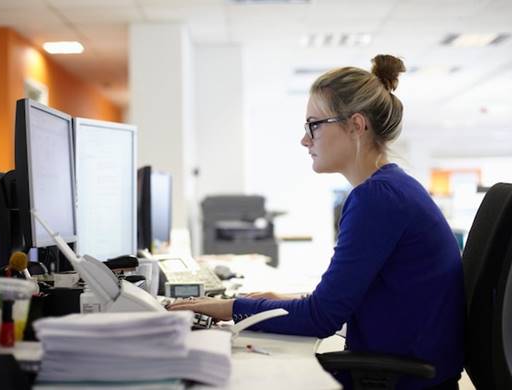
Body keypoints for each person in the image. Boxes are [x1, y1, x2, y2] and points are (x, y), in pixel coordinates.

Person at [169, 54, 465, 390]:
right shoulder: (394, 188)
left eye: (314, 125)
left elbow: (321, 318)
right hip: (411, 369)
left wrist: (229, 307)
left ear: (356, 125)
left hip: (401, 379)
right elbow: (340, 300)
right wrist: (279, 300)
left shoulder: (377, 199)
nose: (305, 139)